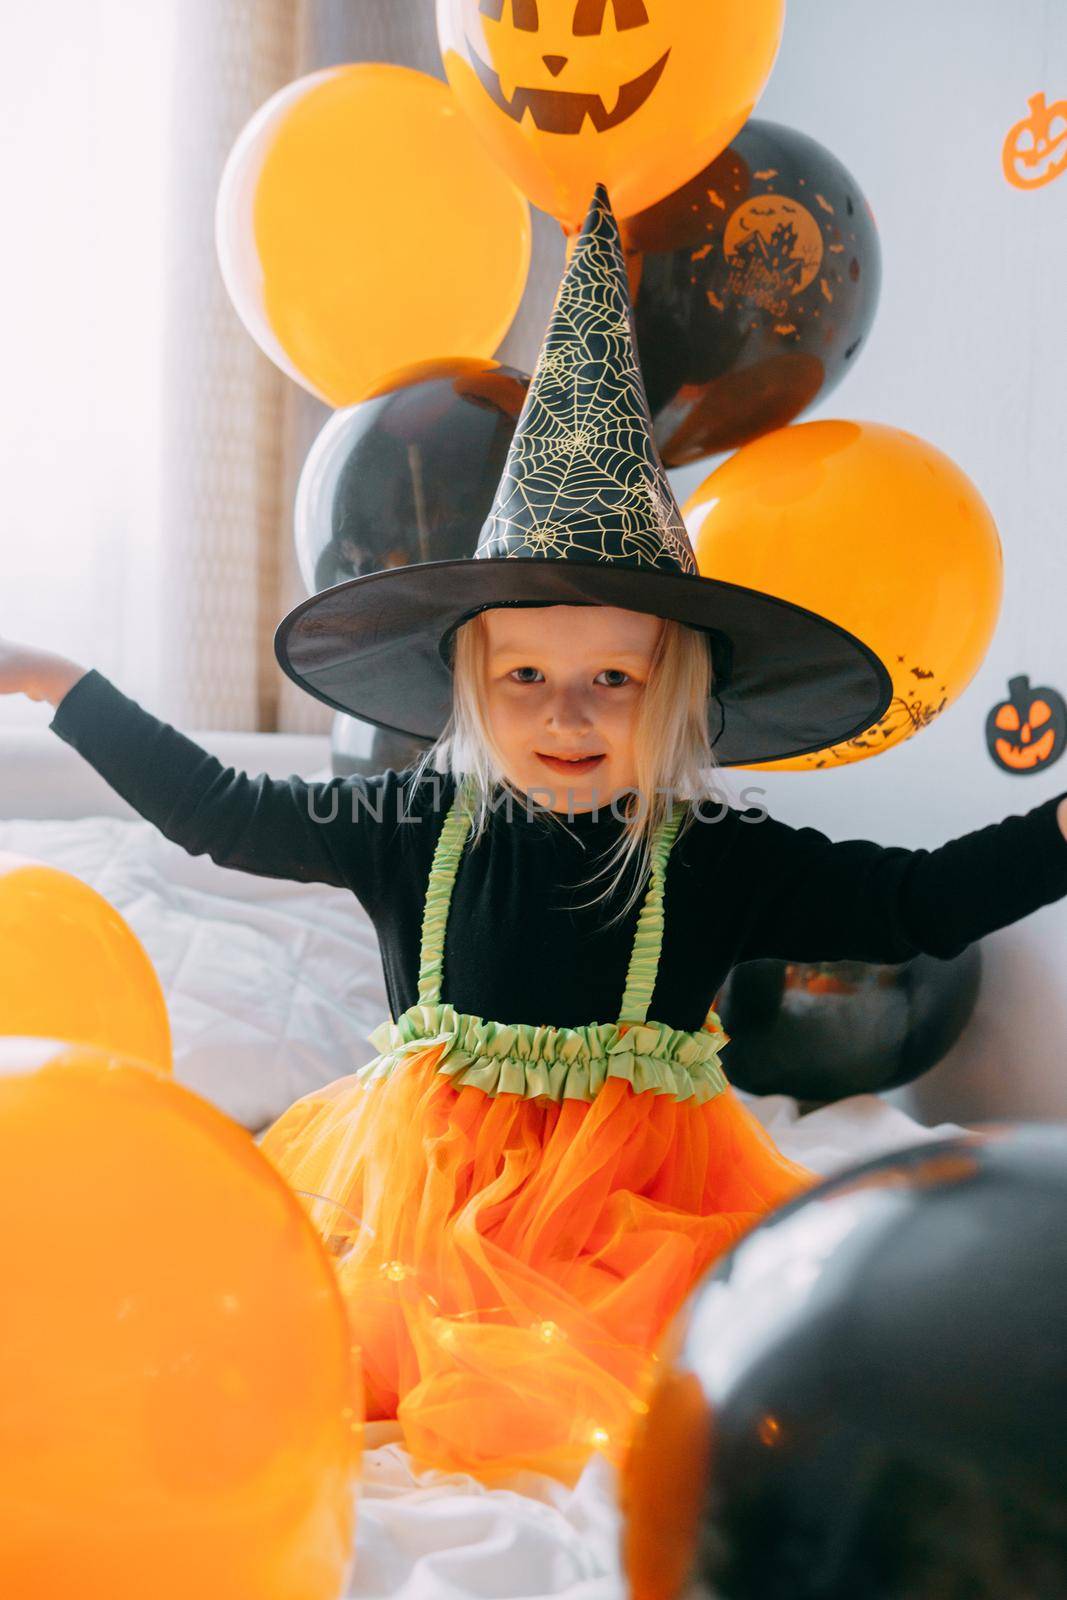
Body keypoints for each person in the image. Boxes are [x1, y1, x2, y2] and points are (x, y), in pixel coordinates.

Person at [4, 187, 1067, 1489]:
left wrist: (1056, 829)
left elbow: (918, 904)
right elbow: (227, 816)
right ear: (471, 681)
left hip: (638, 1215)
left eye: (612, 681)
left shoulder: (718, 856)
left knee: (731, 1354)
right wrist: (66, 688)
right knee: (304, 1324)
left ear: (670, 690)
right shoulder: (410, 827)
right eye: (526, 680)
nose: (567, 714)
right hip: (428, 1203)